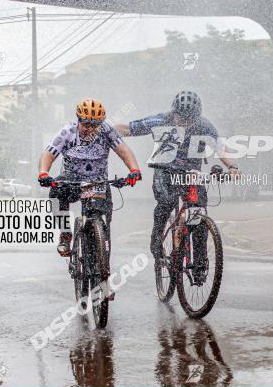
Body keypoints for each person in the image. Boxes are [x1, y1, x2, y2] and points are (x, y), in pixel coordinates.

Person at [115, 91, 240, 267]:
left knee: (198, 215)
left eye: (190, 119)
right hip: (165, 172)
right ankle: (157, 237)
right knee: (166, 201)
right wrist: (102, 131)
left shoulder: (205, 126)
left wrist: (232, 167)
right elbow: (127, 129)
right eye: (181, 117)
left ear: (197, 116)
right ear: (174, 112)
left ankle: (199, 262)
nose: (185, 123)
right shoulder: (161, 120)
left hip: (191, 174)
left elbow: (220, 148)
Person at [38, 99, 142, 263]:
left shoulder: (107, 130)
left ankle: (102, 262)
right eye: (86, 124)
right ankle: (65, 233)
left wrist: (134, 170)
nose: (90, 129)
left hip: (97, 183)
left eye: (95, 125)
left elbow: (124, 150)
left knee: (101, 223)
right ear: (78, 120)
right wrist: (44, 173)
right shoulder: (68, 132)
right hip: (71, 181)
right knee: (56, 192)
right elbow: (49, 154)